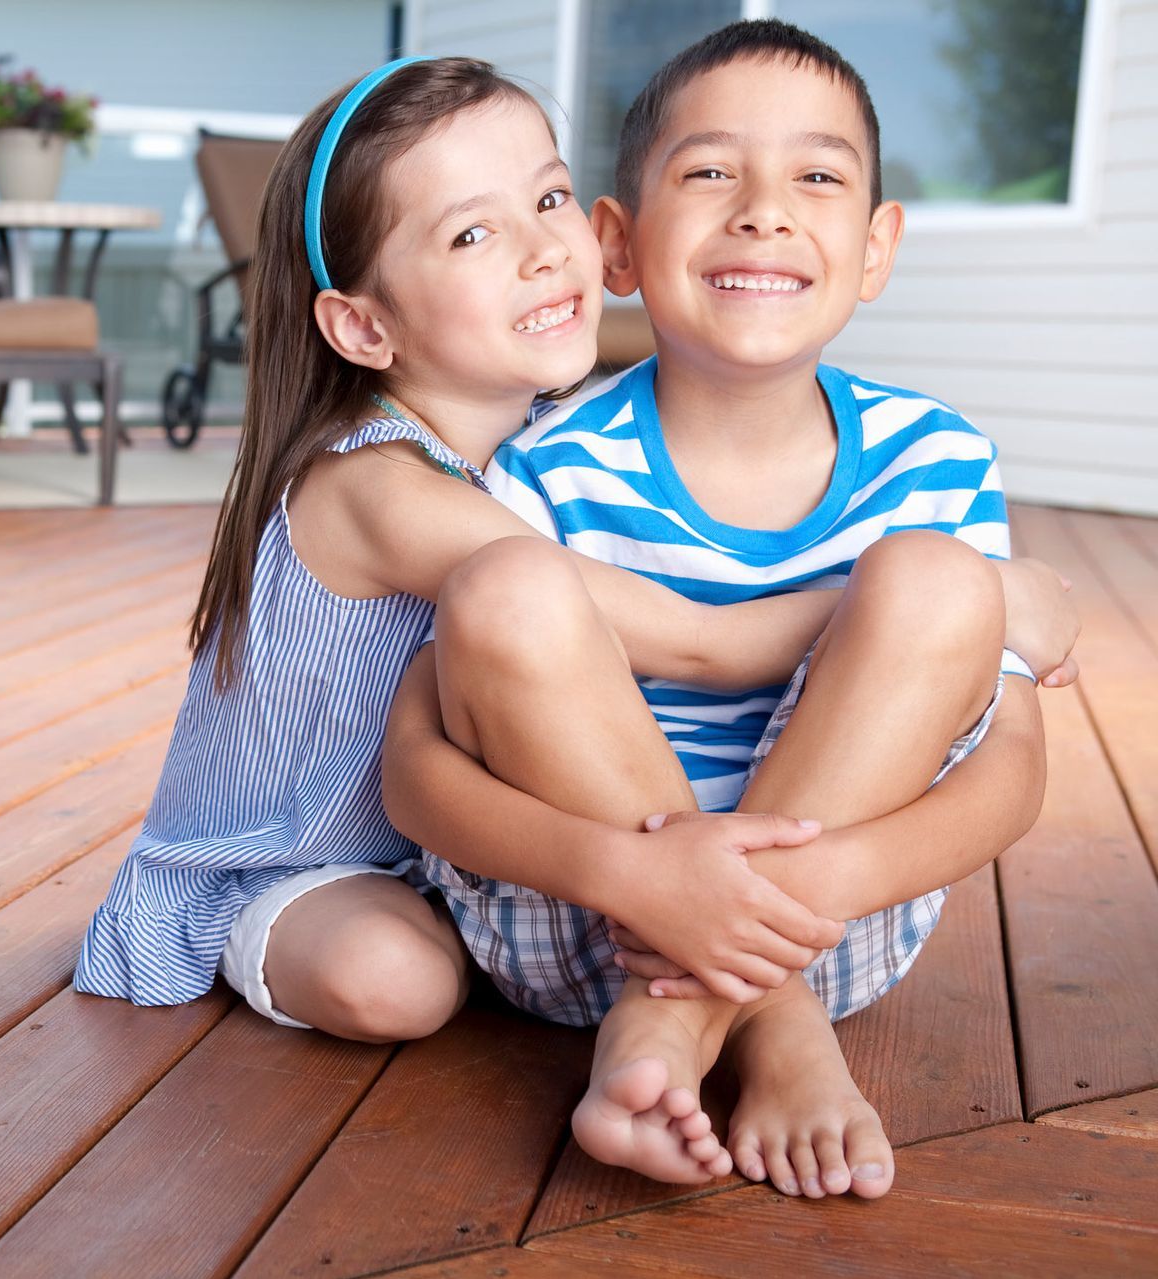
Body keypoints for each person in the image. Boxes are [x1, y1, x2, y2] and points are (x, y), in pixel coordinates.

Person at [72, 55, 1072, 1054]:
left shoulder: (527, 444)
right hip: (299, 856)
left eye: (546, 198)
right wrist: (986, 599)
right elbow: (698, 641)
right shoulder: (382, 487)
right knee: (398, 982)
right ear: (364, 325)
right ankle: (743, 1006)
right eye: (472, 232)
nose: (543, 251)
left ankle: (681, 990)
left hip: (443, 851)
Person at [381, 20, 1077, 1200]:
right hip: (581, 905)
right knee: (501, 583)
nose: (762, 210)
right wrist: (640, 878)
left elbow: (1009, 764)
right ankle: (777, 1029)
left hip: (833, 914)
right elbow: (414, 767)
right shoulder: (549, 465)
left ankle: (678, 1020)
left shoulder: (936, 457)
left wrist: (807, 889)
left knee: (939, 579)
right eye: (709, 172)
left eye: (817, 176)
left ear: (874, 245)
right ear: (618, 242)